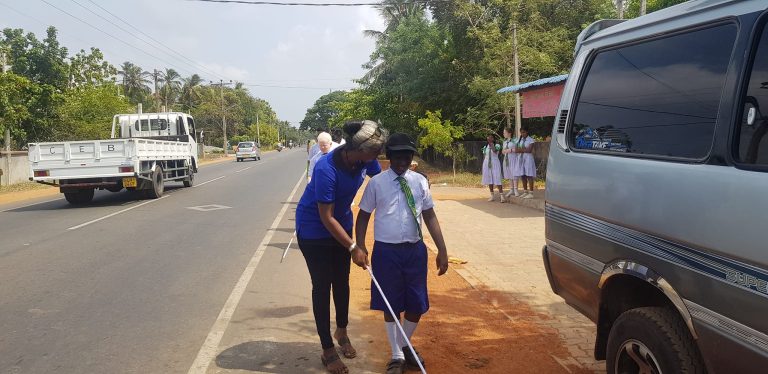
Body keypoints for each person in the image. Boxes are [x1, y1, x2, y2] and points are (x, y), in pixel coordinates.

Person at [295, 120, 387, 374]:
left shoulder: (365, 159)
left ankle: (342, 332)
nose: (376, 158)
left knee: (342, 281)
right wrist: (353, 246)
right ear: (356, 149)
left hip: (342, 222)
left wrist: (409, 179)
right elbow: (326, 216)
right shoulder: (326, 168)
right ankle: (327, 348)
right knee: (322, 286)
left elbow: (381, 181)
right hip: (315, 229)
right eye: (374, 153)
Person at [353, 133, 449, 374]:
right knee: (390, 302)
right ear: (389, 157)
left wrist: (442, 249)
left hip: (415, 250)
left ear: (412, 157)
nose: (402, 160)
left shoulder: (419, 182)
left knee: (417, 302)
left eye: (407, 155)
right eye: (397, 155)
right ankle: (397, 356)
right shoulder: (377, 183)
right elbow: (364, 215)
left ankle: (403, 345)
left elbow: (429, 215)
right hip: (386, 252)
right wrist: (360, 246)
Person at [481, 134, 505, 202]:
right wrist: (483, 166)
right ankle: (492, 195)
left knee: (497, 178)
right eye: (488, 137)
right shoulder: (485, 146)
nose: (489, 138)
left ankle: (502, 196)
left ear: (493, 139)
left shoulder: (497, 145)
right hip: (487, 164)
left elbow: (494, 151)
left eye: (491, 137)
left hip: (495, 163)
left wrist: (491, 144)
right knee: (489, 179)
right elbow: (485, 156)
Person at [516, 127, 536, 199]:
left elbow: (529, 150)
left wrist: (521, 150)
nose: (522, 134)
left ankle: (531, 193)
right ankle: (525, 191)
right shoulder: (520, 140)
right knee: (523, 175)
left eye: (524, 132)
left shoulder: (531, 140)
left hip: (528, 159)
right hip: (521, 159)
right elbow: (516, 150)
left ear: (527, 132)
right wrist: (523, 150)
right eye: (521, 132)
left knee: (529, 175)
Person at [500, 127, 520, 198]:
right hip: (507, 159)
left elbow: (518, 149)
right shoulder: (504, 142)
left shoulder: (515, 140)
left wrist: (511, 150)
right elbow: (503, 151)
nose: (503, 134)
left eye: (504, 132)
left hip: (513, 158)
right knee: (509, 173)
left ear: (509, 133)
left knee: (514, 173)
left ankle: (516, 189)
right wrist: (504, 151)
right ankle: (511, 189)